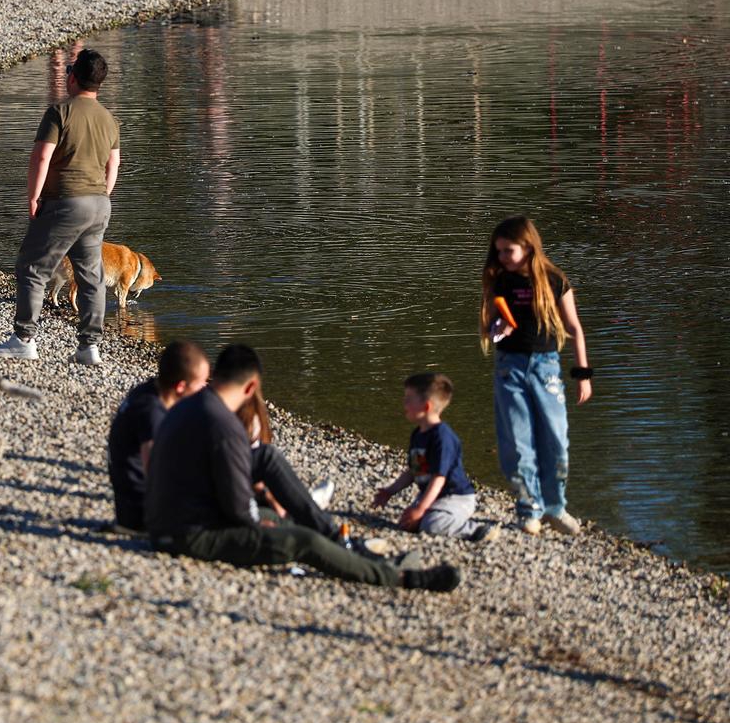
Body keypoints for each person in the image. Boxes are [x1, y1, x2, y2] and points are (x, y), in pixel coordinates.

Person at [145, 344, 463, 592]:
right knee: (301, 541)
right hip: (185, 535)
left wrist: (262, 516)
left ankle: (337, 540)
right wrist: (256, 522)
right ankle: (399, 577)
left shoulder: (194, 406)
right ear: (251, 386)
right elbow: (237, 509)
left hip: (180, 516)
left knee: (266, 464)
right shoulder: (224, 427)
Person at [0, 50, 120, 366]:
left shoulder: (60, 112)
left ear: (73, 77)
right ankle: (89, 348)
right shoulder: (109, 119)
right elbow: (113, 165)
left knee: (32, 268)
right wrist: (103, 194)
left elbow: (41, 157)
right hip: (99, 203)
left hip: (64, 202)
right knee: (91, 275)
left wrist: (33, 196)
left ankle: (24, 340)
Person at [480, 215, 592, 536]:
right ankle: (529, 508)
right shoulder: (501, 281)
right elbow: (490, 327)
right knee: (517, 442)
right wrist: (497, 328)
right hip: (509, 367)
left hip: (546, 368)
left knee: (556, 439)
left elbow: (574, 328)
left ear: (528, 247)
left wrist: (582, 375)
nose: (502, 257)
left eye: (508, 250)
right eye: (498, 251)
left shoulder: (554, 280)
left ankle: (555, 508)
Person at [373, 373, 500, 543]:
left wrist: (421, 508)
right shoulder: (418, 434)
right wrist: (390, 491)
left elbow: (438, 479)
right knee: (407, 523)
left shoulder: (442, 437)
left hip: (455, 497)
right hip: (433, 496)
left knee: (431, 525)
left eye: (409, 399)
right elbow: (413, 471)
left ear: (426, 406)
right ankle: (436, 517)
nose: (404, 403)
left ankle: (475, 530)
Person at [105, 340, 209, 534]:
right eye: (201, 383)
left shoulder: (147, 391)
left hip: (128, 506)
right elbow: (155, 471)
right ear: (181, 386)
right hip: (142, 513)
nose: (204, 387)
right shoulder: (152, 412)